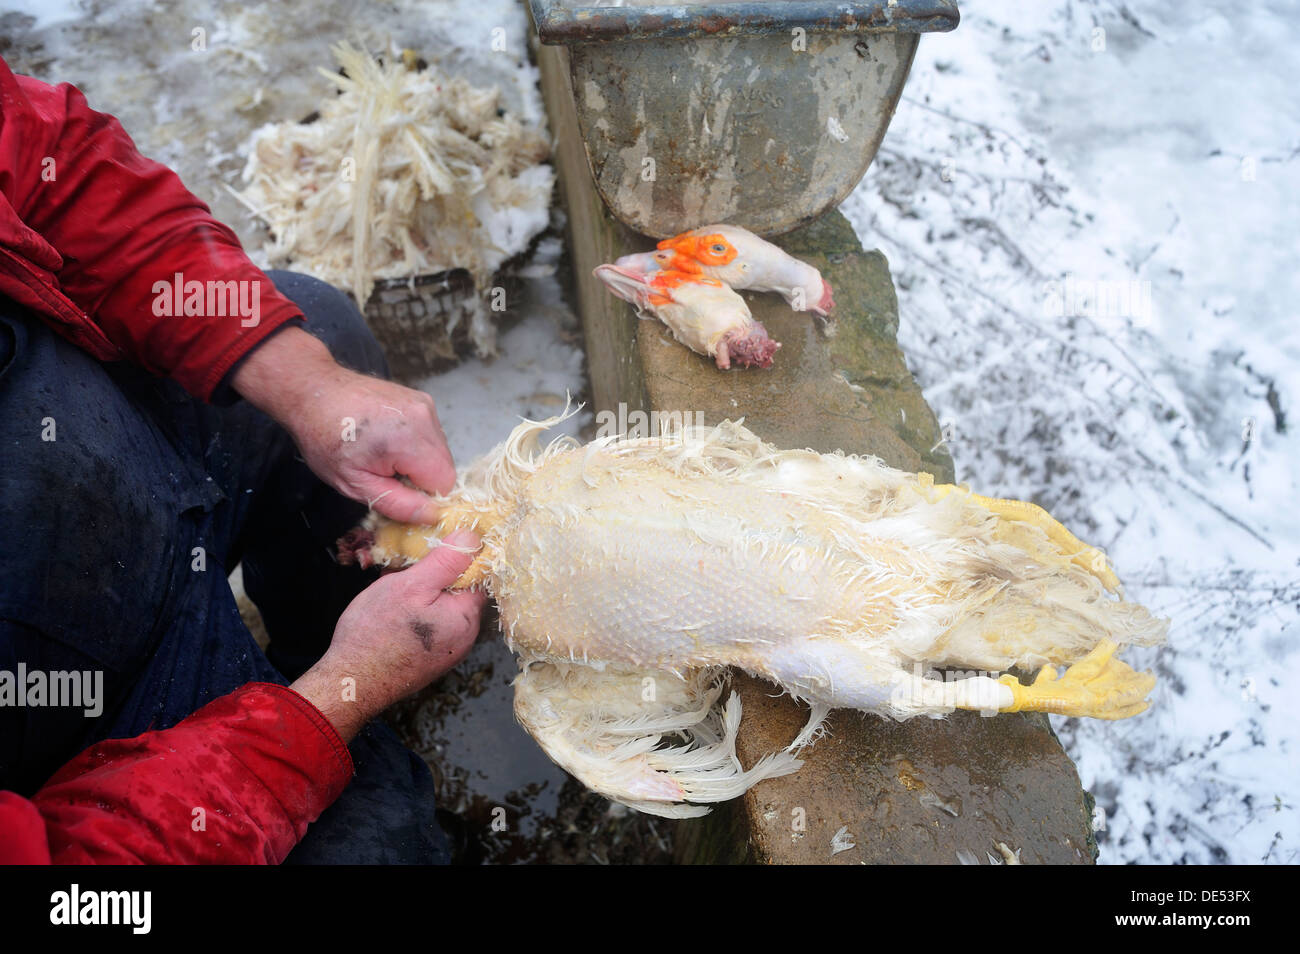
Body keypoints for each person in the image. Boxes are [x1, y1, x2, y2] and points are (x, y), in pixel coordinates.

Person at [0, 56, 486, 862]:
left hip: (109, 474)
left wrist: (306, 387)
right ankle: (332, 701)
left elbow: (60, 169)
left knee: (319, 327)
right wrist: (329, 705)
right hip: (82, 776)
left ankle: (325, 654)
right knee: (376, 848)